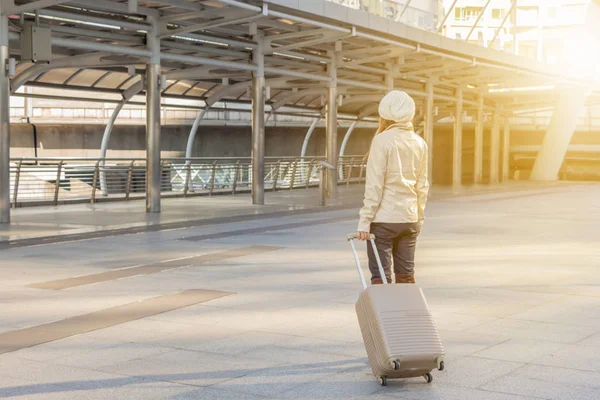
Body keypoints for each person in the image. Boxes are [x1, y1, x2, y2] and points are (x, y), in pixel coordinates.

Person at [356, 90, 429, 285]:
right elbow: (422, 186)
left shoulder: (382, 140)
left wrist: (365, 222)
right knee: (406, 277)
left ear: (385, 113)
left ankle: (384, 316)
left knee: (381, 277)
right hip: (409, 220)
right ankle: (408, 314)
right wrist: (419, 219)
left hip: (384, 221)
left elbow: (375, 186)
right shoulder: (420, 143)